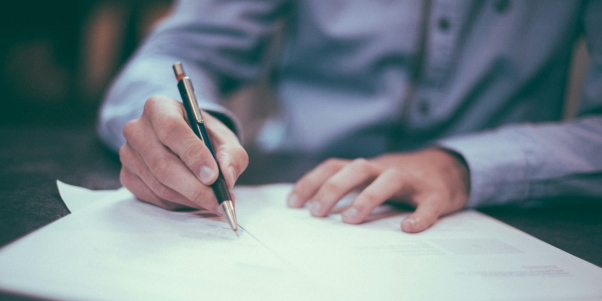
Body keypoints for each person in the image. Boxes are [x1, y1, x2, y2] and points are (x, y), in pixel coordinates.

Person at [98, 0, 602, 233]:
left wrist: (462, 165)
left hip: (511, 214)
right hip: (297, 194)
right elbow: (179, 50)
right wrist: (182, 128)